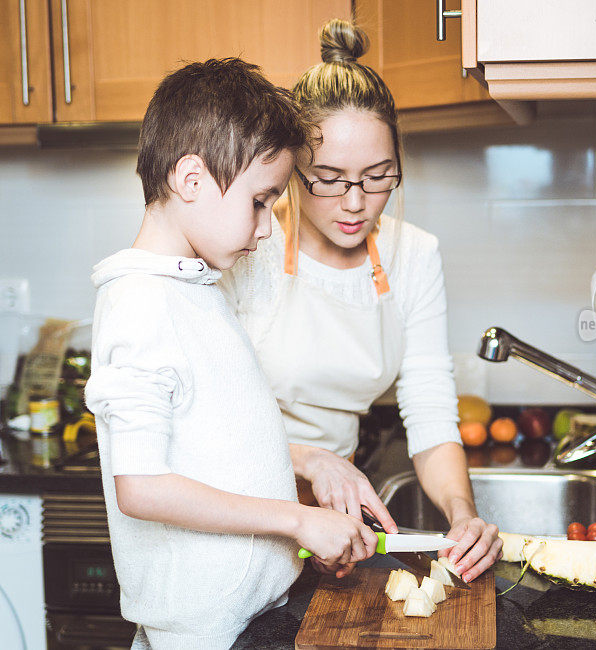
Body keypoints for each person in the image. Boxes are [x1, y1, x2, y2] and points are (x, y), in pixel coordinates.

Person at [84, 58, 378, 650]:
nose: (268, 227)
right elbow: (141, 487)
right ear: (191, 180)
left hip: (250, 616)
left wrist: (306, 461)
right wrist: (297, 519)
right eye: (261, 201)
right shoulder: (142, 303)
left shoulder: (195, 287)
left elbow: (210, 437)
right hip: (204, 633)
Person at [219, 20, 502, 584]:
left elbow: (427, 406)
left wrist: (462, 515)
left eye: (377, 178)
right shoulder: (246, 246)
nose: (355, 203)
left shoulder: (415, 255)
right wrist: (309, 459)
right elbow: (207, 417)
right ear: (292, 170)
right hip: (239, 503)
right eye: (328, 178)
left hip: (335, 515)